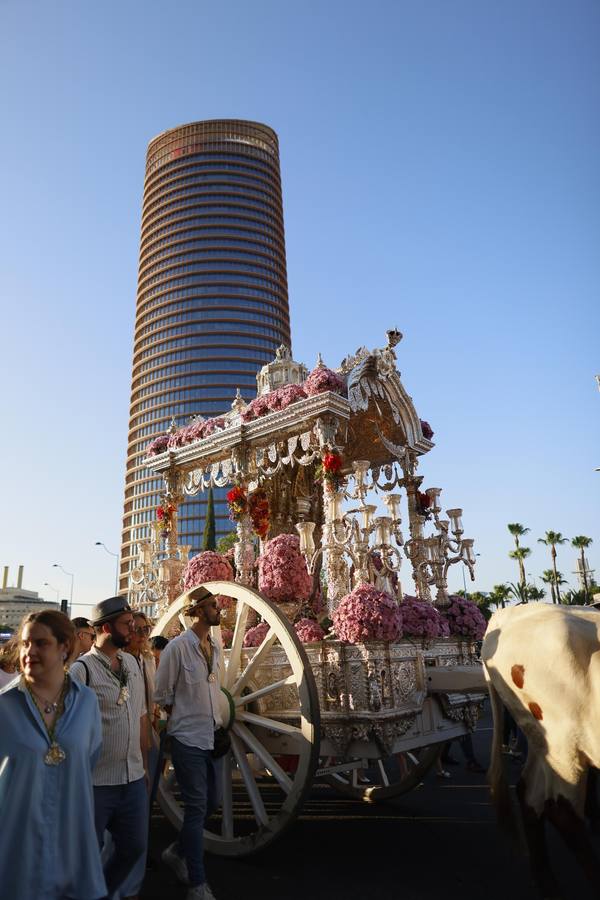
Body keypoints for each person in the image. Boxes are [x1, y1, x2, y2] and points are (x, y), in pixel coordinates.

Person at [0, 610, 106, 900]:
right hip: (15, 850)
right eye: (24, 643)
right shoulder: (4, 707)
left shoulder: (86, 702)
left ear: (64, 647)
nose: (29, 651)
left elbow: (89, 757)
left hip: (72, 843)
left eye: (40, 643)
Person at [71, 596, 149, 900]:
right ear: (105, 627)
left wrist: (143, 766)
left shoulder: (131, 662)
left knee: (133, 848)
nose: (133, 629)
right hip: (95, 784)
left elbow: (141, 714)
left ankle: (101, 893)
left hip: (132, 781)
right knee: (84, 857)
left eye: (133, 624)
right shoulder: (82, 671)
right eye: (126, 624)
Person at [154, 588, 223, 900]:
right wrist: (180, 715)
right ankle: (197, 883)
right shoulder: (178, 649)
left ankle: (177, 851)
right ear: (197, 611)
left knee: (212, 803)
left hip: (211, 737)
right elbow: (161, 694)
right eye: (211, 605)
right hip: (187, 739)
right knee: (196, 807)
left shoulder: (214, 647)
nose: (217, 608)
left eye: (216, 604)